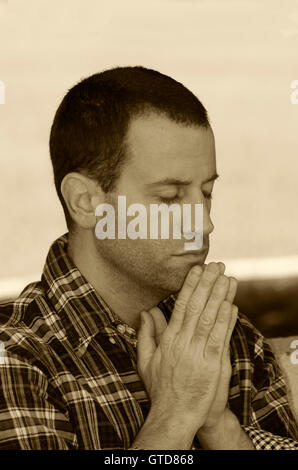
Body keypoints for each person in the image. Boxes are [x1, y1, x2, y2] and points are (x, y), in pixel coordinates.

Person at [0, 66, 297, 450]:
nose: (203, 224)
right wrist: (176, 414)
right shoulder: (15, 360)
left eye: (206, 192)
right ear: (86, 202)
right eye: (170, 198)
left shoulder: (232, 339)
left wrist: (218, 426)